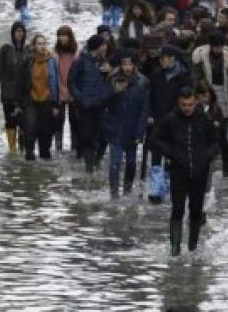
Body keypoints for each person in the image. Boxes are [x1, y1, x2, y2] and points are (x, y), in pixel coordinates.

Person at [151, 87, 219, 255]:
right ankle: (175, 249)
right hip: (178, 171)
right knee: (177, 210)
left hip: (199, 172)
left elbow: (217, 141)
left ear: (196, 102)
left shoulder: (204, 120)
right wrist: (171, 153)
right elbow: (155, 139)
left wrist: (206, 157)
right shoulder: (170, 119)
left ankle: (193, 248)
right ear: (178, 103)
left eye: (190, 104)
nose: (187, 108)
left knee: (196, 211)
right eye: (184, 105)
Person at [192, 30, 228, 175]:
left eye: (220, 47)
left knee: (222, 133)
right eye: (215, 47)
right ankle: (206, 165)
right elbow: (195, 78)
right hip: (206, 94)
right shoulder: (200, 56)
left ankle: (226, 168)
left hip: (224, 95)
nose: (217, 50)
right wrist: (198, 94)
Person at [105, 50, 150, 198]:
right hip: (115, 128)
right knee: (115, 164)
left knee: (131, 164)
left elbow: (144, 110)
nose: (127, 67)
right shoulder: (112, 79)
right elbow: (105, 103)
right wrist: (115, 92)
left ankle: (127, 192)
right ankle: (114, 195)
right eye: (124, 63)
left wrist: (140, 132)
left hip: (133, 129)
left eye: (130, 63)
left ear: (134, 65)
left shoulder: (142, 81)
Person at [69, 35, 113, 174]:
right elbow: (72, 82)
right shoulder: (80, 61)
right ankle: (89, 167)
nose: (105, 47)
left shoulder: (104, 62)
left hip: (101, 105)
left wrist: (105, 94)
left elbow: (110, 83)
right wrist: (80, 98)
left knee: (105, 135)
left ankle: (97, 160)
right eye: (103, 45)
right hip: (85, 106)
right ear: (97, 46)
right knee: (87, 136)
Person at [17, 34, 60, 160]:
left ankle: (45, 164)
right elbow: (21, 82)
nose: (42, 46)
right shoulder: (29, 61)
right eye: (39, 44)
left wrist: (56, 104)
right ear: (34, 46)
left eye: (44, 43)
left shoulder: (51, 60)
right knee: (30, 130)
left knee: (46, 134)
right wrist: (19, 103)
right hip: (31, 101)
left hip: (47, 101)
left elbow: (55, 82)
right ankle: (29, 160)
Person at [0, 21, 28, 155]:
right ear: (13, 33)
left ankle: (22, 150)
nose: (19, 34)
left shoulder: (27, 50)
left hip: (23, 95)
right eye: (17, 31)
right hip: (8, 94)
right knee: (10, 122)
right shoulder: (5, 49)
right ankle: (12, 151)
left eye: (22, 31)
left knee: (23, 123)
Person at [53, 26, 79, 157]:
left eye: (64, 35)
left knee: (74, 121)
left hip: (74, 92)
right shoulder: (55, 53)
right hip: (59, 90)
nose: (62, 38)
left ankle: (74, 149)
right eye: (59, 35)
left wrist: (72, 89)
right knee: (58, 121)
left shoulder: (76, 53)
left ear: (70, 36)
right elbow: (54, 74)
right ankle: (58, 149)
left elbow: (78, 74)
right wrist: (61, 89)